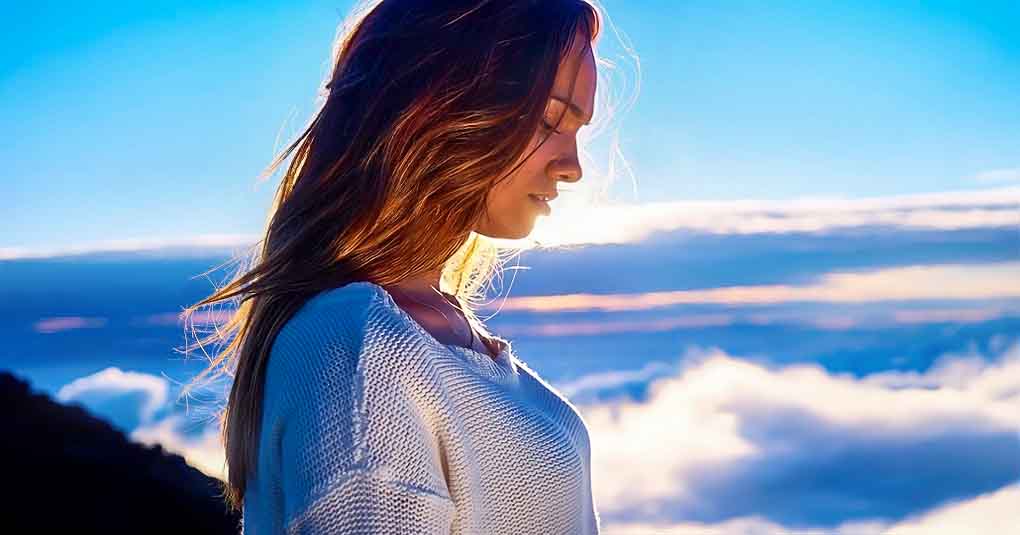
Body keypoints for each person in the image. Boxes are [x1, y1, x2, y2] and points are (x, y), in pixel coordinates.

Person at [182, 0, 604, 532]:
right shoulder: (363, 351)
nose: (574, 167)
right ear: (437, 104)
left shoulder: (421, 330)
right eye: (549, 120)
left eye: (577, 130)